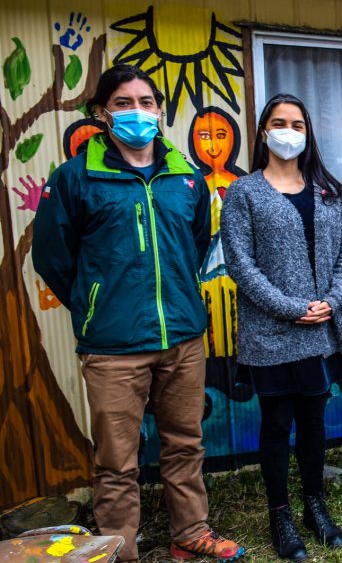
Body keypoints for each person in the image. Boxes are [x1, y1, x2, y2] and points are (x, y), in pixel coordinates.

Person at [32, 65, 244, 562]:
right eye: (124, 103)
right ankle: (119, 551)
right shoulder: (74, 179)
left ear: (160, 111)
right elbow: (52, 258)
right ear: (102, 113)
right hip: (112, 347)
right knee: (116, 462)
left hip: (184, 337)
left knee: (185, 445)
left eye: (146, 102)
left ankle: (189, 533)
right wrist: (95, 305)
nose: (137, 112)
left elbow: (193, 245)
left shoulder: (184, 177)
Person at [220, 94, 342, 560]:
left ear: (308, 132)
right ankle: (280, 513)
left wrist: (332, 300)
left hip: (322, 328)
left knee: (314, 422)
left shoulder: (329, 192)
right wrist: (290, 307)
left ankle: (315, 505)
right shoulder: (245, 192)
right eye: (279, 123)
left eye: (297, 123)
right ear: (263, 132)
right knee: (278, 424)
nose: (288, 131)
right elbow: (240, 264)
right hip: (272, 333)